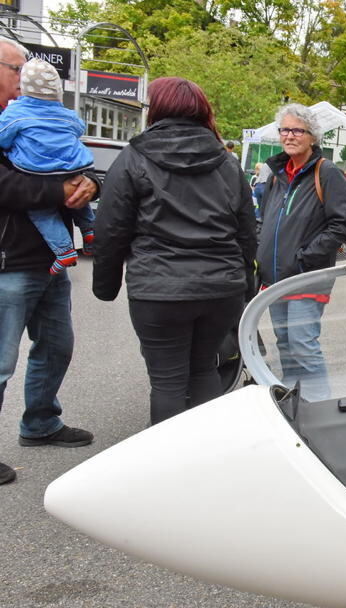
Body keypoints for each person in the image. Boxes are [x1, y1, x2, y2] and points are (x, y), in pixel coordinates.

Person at [93, 77, 257, 425]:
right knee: (204, 370)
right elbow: (246, 230)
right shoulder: (227, 163)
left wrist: (105, 286)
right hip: (220, 288)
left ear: (157, 109)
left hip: (159, 289)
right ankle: (205, 458)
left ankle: (169, 467)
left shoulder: (133, 158)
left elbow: (110, 229)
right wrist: (246, 283)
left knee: (167, 381)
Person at [0, 36, 100, 485]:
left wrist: (91, 184)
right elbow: (9, 188)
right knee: (1, 362)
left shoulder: (38, 117)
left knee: (56, 346)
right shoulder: (8, 124)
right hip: (9, 264)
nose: (21, 78)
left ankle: (40, 423)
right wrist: (61, 189)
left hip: (50, 263)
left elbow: (74, 159)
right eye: (14, 68)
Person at [255, 103, 346, 400]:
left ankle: (322, 409)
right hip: (274, 278)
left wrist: (305, 258)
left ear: (312, 136)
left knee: (302, 344)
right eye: (284, 129)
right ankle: (295, 404)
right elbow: (265, 220)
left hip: (305, 277)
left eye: (297, 130)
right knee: (285, 343)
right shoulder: (276, 174)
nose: (289, 136)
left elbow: (342, 226)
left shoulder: (327, 173)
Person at [0, 58, 95, 275]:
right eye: (13, 68)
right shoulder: (66, 114)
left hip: (36, 170)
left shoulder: (14, 114)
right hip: (70, 167)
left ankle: (63, 251)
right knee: (76, 194)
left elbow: (2, 138)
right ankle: (90, 230)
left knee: (42, 211)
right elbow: (79, 128)